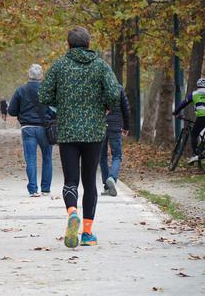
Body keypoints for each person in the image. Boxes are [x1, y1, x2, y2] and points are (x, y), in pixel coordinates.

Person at [39, 26, 119, 248]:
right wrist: (104, 107)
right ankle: (87, 233)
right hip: (94, 132)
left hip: (68, 132)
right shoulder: (101, 66)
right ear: (89, 43)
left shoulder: (59, 67)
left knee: (71, 180)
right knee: (90, 182)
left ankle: (72, 211)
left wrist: (61, 103)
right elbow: (115, 93)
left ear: (68, 44)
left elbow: (44, 94)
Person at [8, 64, 54, 198]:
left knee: (31, 159)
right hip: (45, 128)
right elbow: (54, 110)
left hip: (27, 128)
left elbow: (11, 111)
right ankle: (46, 189)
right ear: (41, 76)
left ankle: (33, 189)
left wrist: (22, 114)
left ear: (29, 75)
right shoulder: (47, 90)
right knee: (47, 157)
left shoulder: (20, 90)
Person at [100, 85, 131, 197]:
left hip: (101, 126)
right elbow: (126, 109)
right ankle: (112, 178)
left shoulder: (99, 87)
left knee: (102, 156)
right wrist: (126, 127)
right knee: (117, 155)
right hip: (116, 127)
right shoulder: (119, 89)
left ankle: (107, 185)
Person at [173, 77, 205, 163]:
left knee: (194, 134)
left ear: (197, 86)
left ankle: (195, 154)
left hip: (202, 117)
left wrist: (176, 112)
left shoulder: (194, 94)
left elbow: (183, 103)